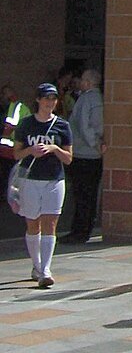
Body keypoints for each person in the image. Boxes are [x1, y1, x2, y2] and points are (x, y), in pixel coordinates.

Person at [13, 83, 72, 287]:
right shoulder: (26, 124)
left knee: (51, 222)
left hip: (54, 179)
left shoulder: (62, 125)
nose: (50, 102)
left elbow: (68, 158)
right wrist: (31, 150)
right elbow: (16, 153)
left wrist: (54, 148)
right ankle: (36, 266)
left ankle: (46, 269)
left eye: (53, 99)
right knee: (33, 223)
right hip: (31, 179)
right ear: (38, 100)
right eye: (46, 98)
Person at [63, 68, 102, 244]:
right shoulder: (87, 98)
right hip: (83, 154)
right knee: (83, 195)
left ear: (89, 82)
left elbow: (88, 126)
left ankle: (81, 231)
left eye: (83, 79)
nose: (80, 82)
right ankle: (79, 229)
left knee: (85, 195)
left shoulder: (91, 99)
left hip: (87, 155)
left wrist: (96, 144)